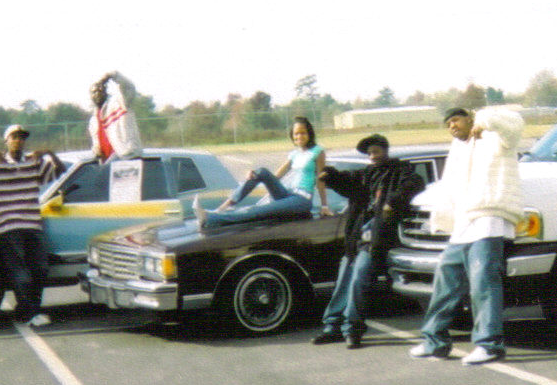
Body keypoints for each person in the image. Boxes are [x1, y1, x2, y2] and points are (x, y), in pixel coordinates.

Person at [410, 106, 525, 365]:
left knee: (483, 280)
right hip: (464, 222)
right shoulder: (457, 148)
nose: (452, 126)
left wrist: (484, 120)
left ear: (470, 118)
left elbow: (515, 122)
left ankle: (489, 345)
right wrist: (444, 219)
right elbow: (451, 187)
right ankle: (435, 341)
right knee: (446, 279)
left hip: (489, 217)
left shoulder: (495, 136)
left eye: (456, 120)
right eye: (448, 123)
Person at [314, 134, 426, 349]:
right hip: (356, 239)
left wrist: (393, 201)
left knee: (359, 280)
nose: (373, 156)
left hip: (377, 239)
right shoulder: (366, 175)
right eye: (369, 153)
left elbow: (415, 184)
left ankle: (352, 330)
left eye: (376, 151)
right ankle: (332, 327)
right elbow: (346, 181)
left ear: (386, 151)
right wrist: (331, 175)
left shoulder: (400, 171)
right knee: (343, 280)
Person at [0, 124, 63, 328]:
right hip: (6, 225)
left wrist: (49, 153)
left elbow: (59, 171)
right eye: (14, 137)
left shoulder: (33, 162)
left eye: (22, 137)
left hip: (32, 223)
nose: (18, 140)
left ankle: (27, 310)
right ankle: (30, 314)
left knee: (40, 268)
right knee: (20, 272)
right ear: (6, 141)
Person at [195, 116, 330, 232]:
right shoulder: (294, 154)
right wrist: (254, 175)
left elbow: (321, 180)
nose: (299, 136)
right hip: (288, 194)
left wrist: (324, 206)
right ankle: (222, 207)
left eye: (303, 133)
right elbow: (276, 176)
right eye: (296, 134)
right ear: (292, 136)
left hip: (301, 200)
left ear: (309, 133)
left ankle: (210, 218)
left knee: (259, 210)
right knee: (261, 172)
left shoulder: (318, 151)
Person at [87, 71, 144, 161]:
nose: (97, 94)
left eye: (100, 90)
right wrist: (97, 151)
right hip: (108, 161)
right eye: (94, 92)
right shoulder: (93, 121)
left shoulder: (119, 102)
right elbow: (96, 143)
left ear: (106, 92)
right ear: (90, 96)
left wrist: (111, 75)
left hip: (126, 156)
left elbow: (128, 88)